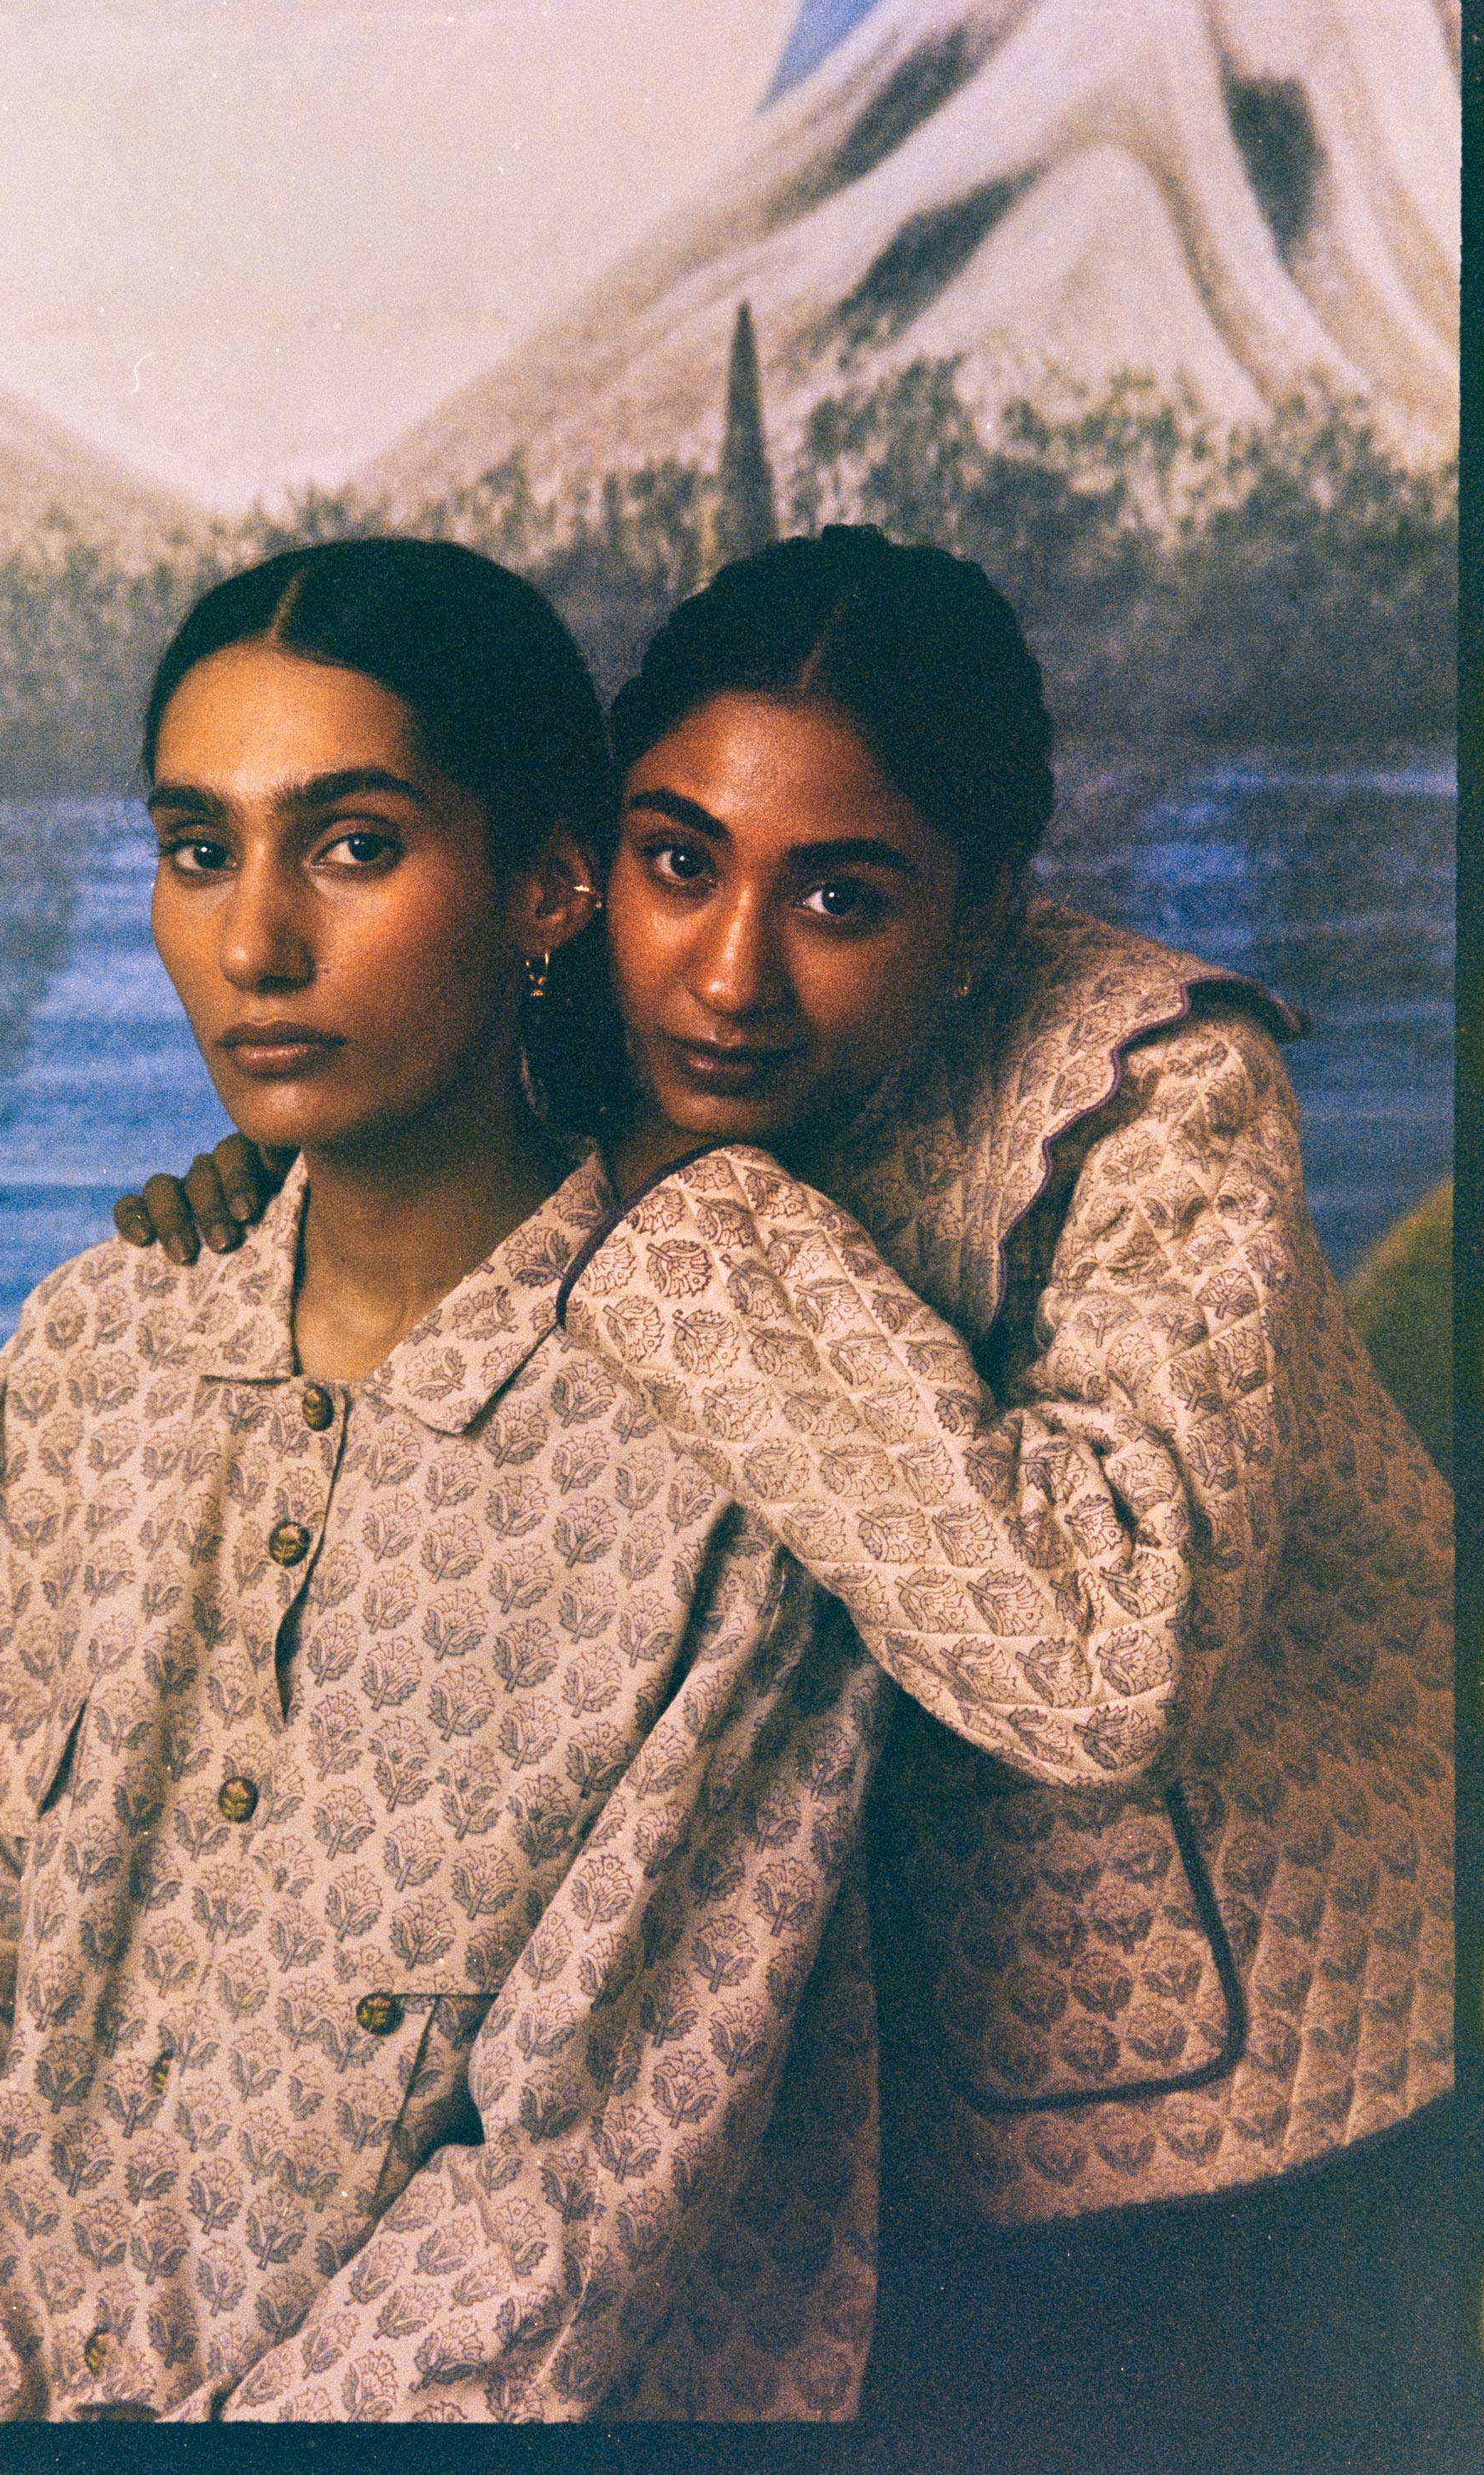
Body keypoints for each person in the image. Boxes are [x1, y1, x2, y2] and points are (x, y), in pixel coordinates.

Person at [122, 527, 1456, 2447]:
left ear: (980, 922)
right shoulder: (568, 1028)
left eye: (840, 898)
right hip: (770, 2107)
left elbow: (1110, 1664)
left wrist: (702, 1221)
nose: (728, 974)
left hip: (1204, 2108)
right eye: (678, 862)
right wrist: (295, 1183)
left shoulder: (1156, 1096)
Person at [0, 537, 907, 2423]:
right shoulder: (91, 1354)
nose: (254, 944)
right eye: (199, 849)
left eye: (350, 845)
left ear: (549, 886)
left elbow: (570, 2193)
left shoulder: (729, 1439)